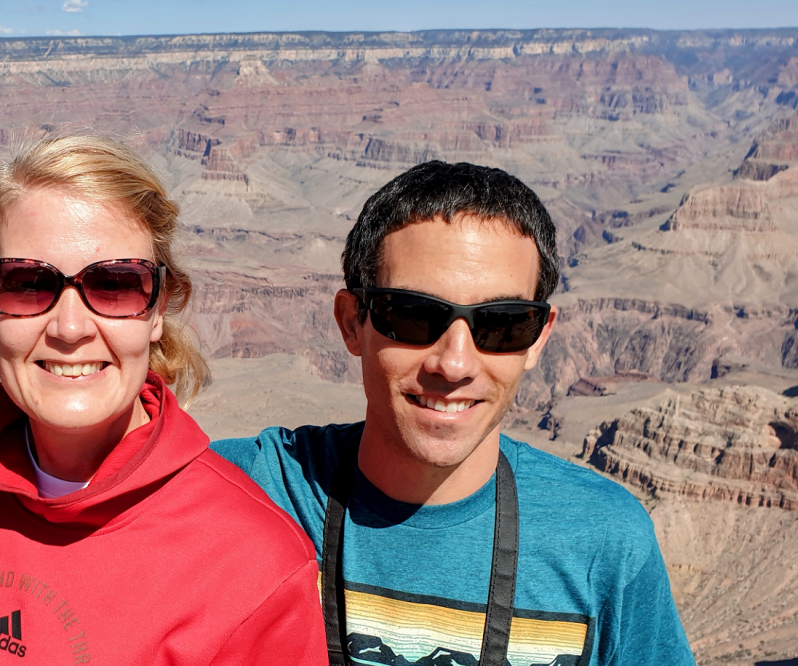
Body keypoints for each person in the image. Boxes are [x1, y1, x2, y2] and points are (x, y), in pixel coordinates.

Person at [0, 135, 326, 665]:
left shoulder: (254, 563)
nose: (70, 327)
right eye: (28, 283)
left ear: (157, 310)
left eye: (115, 284)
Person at [212, 161, 695, 666]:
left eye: (502, 324)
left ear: (539, 339)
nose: (455, 364)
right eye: (414, 314)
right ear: (351, 322)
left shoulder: (605, 541)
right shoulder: (243, 491)